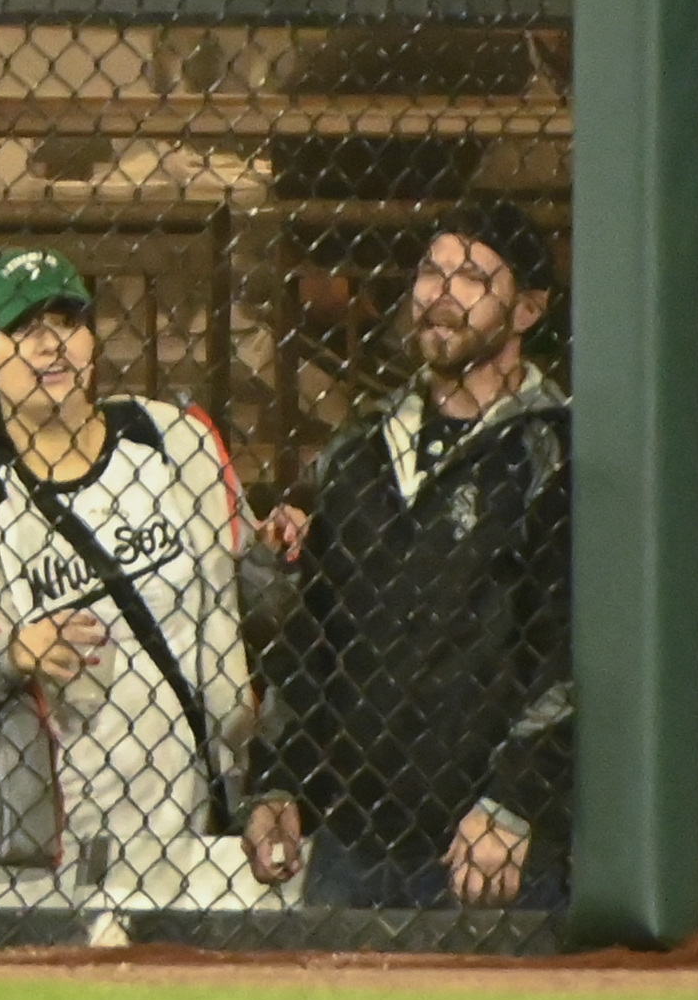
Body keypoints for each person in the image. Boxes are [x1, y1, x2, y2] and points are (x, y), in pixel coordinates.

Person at [0, 249, 254, 944]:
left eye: (66, 320)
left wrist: (277, 560)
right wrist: (8, 654)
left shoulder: (167, 446)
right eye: (22, 328)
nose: (50, 343)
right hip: (15, 845)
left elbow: (242, 605)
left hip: (182, 831)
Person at [243, 199, 573, 912]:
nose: (440, 295)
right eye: (431, 270)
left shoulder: (555, 452)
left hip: (489, 845)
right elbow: (314, 634)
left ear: (527, 310)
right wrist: (278, 779)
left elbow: (575, 649)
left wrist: (515, 800)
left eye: (473, 277)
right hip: (354, 839)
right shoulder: (360, 449)